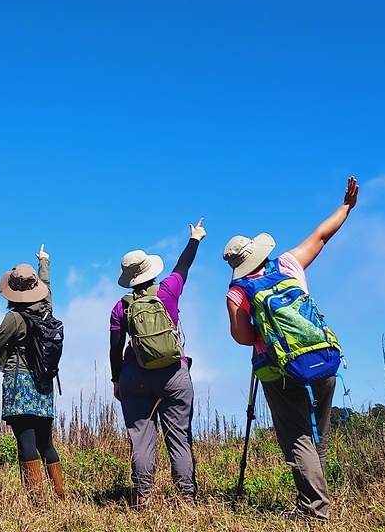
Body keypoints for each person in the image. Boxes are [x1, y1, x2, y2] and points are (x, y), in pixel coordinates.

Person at [224, 176, 358, 520]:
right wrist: (346, 206)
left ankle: (314, 510)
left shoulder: (239, 291)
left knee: (297, 436)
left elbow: (241, 336)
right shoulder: (287, 264)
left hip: (279, 369)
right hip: (321, 355)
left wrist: (262, 330)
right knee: (318, 433)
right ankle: (317, 500)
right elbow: (322, 235)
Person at [110, 219, 206, 505]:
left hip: (134, 377)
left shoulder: (121, 307)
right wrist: (195, 239)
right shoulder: (168, 290)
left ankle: (143, 497)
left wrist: (117, 380)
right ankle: (186, 499)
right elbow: (183, 266)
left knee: (140, 439)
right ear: (151, 272)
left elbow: (115, 350)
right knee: (179, 438)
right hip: (174, 375)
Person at [0, 245, 64, 498]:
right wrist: (45, 261)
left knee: (25, 442)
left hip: (19, 382)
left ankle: (36, 500)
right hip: (43, 382)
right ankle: (60, 494)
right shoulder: (46, 309)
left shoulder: (14, 318)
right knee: (46, 442)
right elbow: (47, 284)